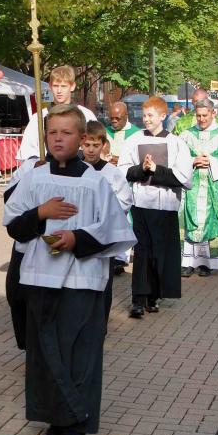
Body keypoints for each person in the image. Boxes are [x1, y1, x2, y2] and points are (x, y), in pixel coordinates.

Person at [3, 105, 135, 435]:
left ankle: (77, 427)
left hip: (81, 279)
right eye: (52, 133)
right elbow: (14, 225)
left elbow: (115, 230)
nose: (58, 138)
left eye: (66, 133)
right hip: (39, 277)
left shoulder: (96, 182)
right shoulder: (33, 177)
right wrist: (40, 214)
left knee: (78, 353)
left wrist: (77, 239)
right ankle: (55, 421)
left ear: (81, 138)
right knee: (45, 353)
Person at [121, 96, 194, 318]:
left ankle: (153, 297)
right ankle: (137, 300)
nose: (146, 119)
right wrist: (142, 169)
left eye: (150, 115)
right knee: (142, 252)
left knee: (159, 253)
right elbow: (124, 170)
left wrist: (156, 169)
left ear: (163, 116)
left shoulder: (177, 143)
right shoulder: (133, 140)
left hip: (165, 206)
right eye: (144, 116)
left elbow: (184, 177)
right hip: (141, 204)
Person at [179, 99, 218, 276]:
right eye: (198, 116)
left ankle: (207, 263)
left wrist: (212, 161)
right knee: (190, 222)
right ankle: (188, 262)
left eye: (204, 115)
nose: (201, 119)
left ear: (213, 113)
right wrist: (193, 161)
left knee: (210, 220)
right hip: (192, 187)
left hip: (215, 188)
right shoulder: (186, 135)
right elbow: (177, 158)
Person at [82, 120, 133, 306]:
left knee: (103, 282)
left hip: (104, 235)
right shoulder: (76, 170)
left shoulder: (113, 173)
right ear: (81, 143)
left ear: (104, 145)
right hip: (81, 232)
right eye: (87, 145)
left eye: (96, 145)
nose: (91, 150)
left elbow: (125, 199)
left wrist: (104, 213)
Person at [16, 66, 96, 162]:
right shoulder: (39, 117)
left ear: (72, 86)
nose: (59, 91)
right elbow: (27, 151)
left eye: (63, 86)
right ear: (50, 86)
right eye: (55, 86)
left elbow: (96, 145)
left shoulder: (86, 115)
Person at [105, 101, 141, 166]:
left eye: (117, 118)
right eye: (111, 118)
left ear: (126, 116)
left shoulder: (137, 134)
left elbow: (139, 159)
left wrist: (121, 160)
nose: (114, 121)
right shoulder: (105, 132)